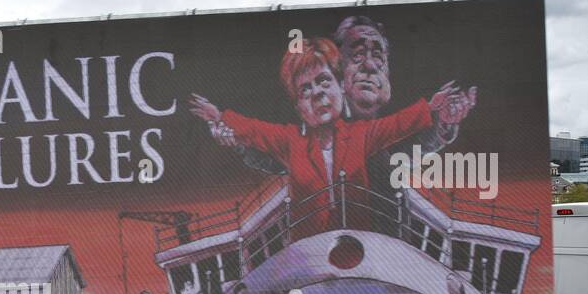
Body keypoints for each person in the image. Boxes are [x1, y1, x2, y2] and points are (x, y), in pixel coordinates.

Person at [189, 37, 475, 238]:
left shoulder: (363, 135)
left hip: (364, 252)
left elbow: (398, 124)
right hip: (311, 258)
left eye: (324, 81)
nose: (317, 93)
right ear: (298, 107)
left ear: (340, 86)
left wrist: (431, 107)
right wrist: (220, 116)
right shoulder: (290, 142)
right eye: (305, 89)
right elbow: (255, 130)